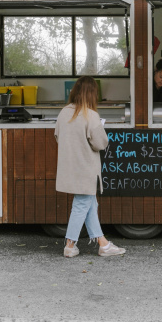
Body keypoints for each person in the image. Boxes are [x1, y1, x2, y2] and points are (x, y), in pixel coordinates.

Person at [54, 76, 125, 258]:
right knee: (82, 204)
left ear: (75, 91)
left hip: (68, 167)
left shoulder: (63, 113)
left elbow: (57, 136)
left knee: (90, 203)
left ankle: (103, 244)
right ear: (92, 94)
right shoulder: (91, 115)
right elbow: (100, 144)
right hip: (85, 168)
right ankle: (70, 244)